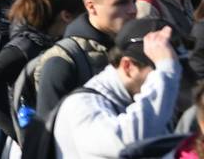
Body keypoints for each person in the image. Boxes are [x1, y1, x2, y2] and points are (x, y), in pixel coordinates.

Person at [0, 0, 82, 148]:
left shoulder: (54, 41)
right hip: (22, 140)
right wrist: (12, 128)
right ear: (66, 16)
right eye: (81, 16)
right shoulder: (26, 47)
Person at [53, 20, 180, 159]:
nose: (174, 80)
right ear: (128, 67)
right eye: (156, 70)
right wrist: (166, 70)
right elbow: (129, 143)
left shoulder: (143, 101)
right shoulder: (80, 105)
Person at [36, 0, 138, 117]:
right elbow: (47, 130)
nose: (133, 10)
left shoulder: (135, 46)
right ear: (91, 6)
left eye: (134, 1)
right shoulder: (63, 60)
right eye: (121, 3)